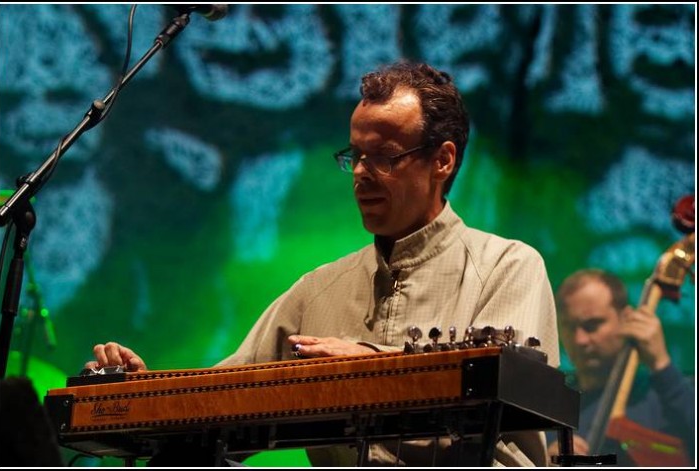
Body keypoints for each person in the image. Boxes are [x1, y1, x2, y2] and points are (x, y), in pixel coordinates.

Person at [87, 61, 560, 466]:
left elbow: (501, 421)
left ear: (443, 160)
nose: (360, 172)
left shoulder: (508, 266)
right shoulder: (317, 290)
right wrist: (140, 390)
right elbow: (220, 402)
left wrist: (370, 370)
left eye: (384, 157)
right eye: (355, 155)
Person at [548, 269, 694, 466]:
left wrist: (661, 363)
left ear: (626, 318)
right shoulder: (551, 405)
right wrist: (544, 458)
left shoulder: (666, 392)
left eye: (592, 325)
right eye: (569, 327)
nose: (579, 340)